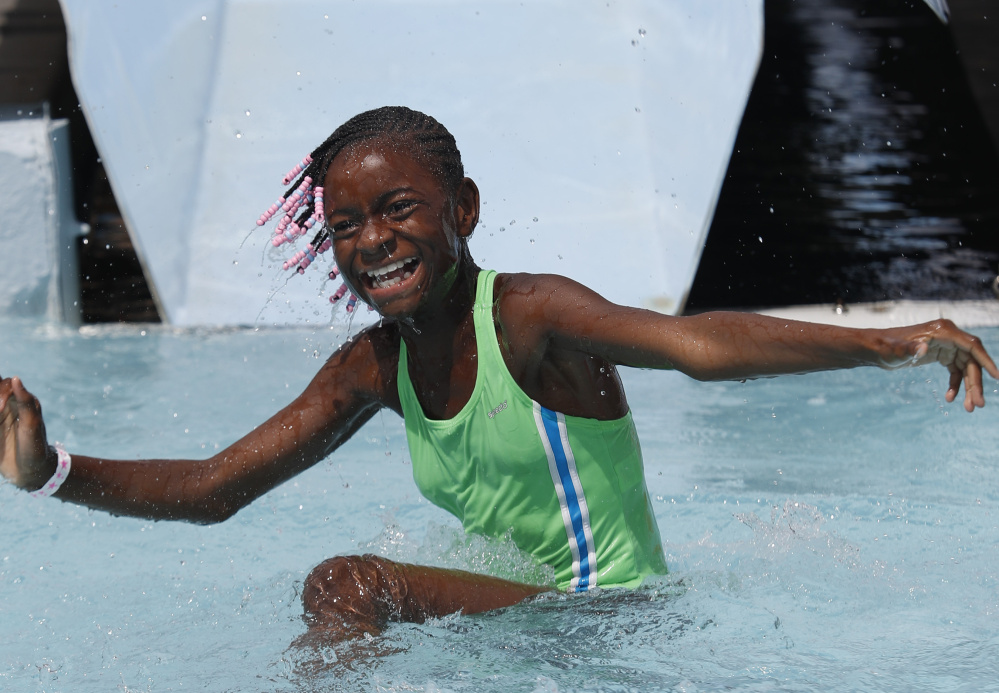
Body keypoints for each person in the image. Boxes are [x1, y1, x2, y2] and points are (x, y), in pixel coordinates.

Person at [1, 107, 996, 641]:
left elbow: (697, 348)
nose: (372, 242)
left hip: (618, 625)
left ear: (463, 208)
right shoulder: (371, 368)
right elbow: (218, 490)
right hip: (532, 628)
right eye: (345, 225)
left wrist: (893, 341)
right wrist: (51, 471)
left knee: (350, 584)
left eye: (397, 208)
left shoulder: (529, 318)